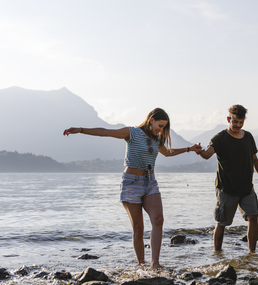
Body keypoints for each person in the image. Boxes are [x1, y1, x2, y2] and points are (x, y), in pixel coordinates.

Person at [63, 108, 201, 269]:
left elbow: (167, 153)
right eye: (160, 125)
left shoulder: (157, 139)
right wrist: (80, 130)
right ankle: (141, 264)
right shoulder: (132, 133)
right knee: (138, 227)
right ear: (151, 119)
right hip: (131, 184)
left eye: (164, 127)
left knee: (158, 220)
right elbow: (105, 132)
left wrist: (189, 149)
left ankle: (155, 263)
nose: (161, 129)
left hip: (150, 182)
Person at [196, 104, 258, 253]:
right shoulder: (219, 138)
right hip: (226, 188)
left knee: (253, 217)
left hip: (247, 188)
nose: (238, 125)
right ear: (229, 119)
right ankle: (217, 254)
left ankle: (252, 253)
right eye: (235, 121)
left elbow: (254, 159)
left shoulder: (248, 137)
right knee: (222, 222)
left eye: (241, 122)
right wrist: (199, 151)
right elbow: (207, 154)